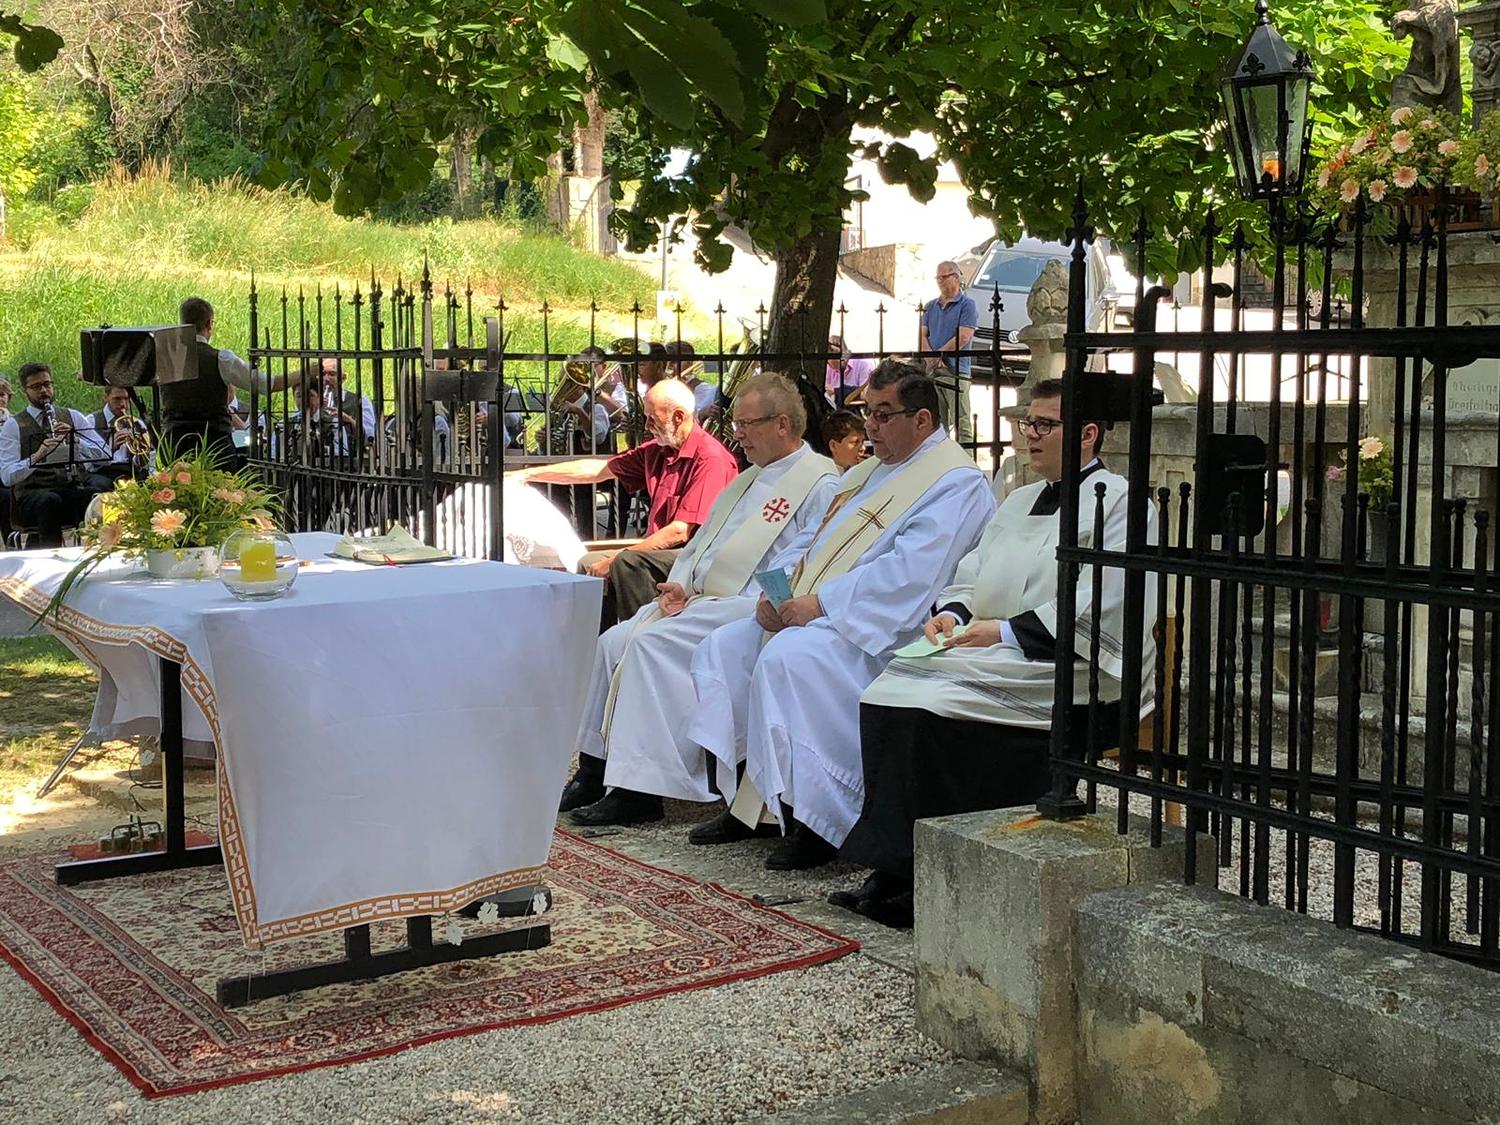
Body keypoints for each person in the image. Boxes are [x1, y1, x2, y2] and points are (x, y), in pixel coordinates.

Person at [833, 378, 1155, 927]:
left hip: (1068, 662)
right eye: (1028, 423)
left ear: (1088, 434)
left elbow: (1104, 601)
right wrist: (954, 614)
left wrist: (1005, 632)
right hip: (996, 647)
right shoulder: (1021, 498)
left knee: (932, 706)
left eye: (1045, 424)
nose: (1030, 435)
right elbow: (973, 569)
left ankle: (929, 880)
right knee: (887, 688)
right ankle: (895, 867)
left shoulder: (1123, 503)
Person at [685, 361, 995, 867]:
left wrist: (822, 603)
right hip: (822, 610)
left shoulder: (955, 482)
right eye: (867, 413)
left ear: (922, 420)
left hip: (883, 627)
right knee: (724, 646)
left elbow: (911, 574)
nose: (870, 426)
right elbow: (814, 537)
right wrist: (775, 590)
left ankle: (818, 819)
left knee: (791, 658)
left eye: (883, 414)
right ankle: (749, 802)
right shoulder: (870, 471)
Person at [562, 373, 840, 822]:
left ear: (783, 424)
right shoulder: (749, 479)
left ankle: (641, 790)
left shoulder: (818, 483)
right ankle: (595, 769)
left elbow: (804, 560)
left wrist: (757, 601)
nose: (738, 433)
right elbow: (703, 543)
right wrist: (682, 583)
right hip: (703, 599)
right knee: (612, 642)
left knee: (650, 645)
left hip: (749, 604)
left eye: (748, 424)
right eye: (738, 423)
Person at [512, 378, 739, 628]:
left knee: (626, 563)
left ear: (678, 417)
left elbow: (680, 531)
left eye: (652, 418)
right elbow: (599, 470)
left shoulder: (710, 458)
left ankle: (639, 632)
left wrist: (617, 558)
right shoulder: (659, 449)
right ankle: (598, 637)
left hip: (694, 556)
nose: (647, 425)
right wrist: (528, 474)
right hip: (664, 551)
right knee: (589, 562)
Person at [168, 296, 301, 464]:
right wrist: (306, 372)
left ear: (182, 323)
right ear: (209, 324)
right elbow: (269, 384)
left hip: (175, 447)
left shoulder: (165, 358)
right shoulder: (221, 359)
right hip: (214, 450)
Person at [0, 363, 115, 547]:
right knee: (49, 501)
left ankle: (96, 552)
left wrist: (77, 440)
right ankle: (50, 556)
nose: (44, 391)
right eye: (36, 387)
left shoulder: (73, 416)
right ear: (24, 391)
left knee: (93, 496)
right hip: (32, 497)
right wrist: (37, 456)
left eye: (47, 384)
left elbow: (106, 454)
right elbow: (7, 476)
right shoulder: (13, 426)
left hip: (68, 488)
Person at [919, 261, 977, 447]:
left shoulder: (967, 305)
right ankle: (941, 456)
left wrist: (938, 355)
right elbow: (922, 335)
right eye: (938, 278)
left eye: (944, 277)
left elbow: (964, 336)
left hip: (956, 371)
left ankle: (966, 457)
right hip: (934, 370)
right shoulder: (930, 306)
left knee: (962, 421)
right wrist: (931, 358)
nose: (940, 281)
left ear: (956, 277)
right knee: (937, 423)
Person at [91, 384, 148, 480]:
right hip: (102, 472)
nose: (123, 404)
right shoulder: (91, 421)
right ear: (105, 397)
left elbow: (143, 463)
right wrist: (110, 448)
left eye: (126, 399)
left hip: (130, 471)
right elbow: (86, 460)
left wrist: (140, 450)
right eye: (117, 399)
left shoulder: (137, 424)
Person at [825, 336, 875, 407]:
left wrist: (836, 391)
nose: (837, 370)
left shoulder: (864, 364)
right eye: (833, 366)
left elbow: (866, 394)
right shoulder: (829, 367)